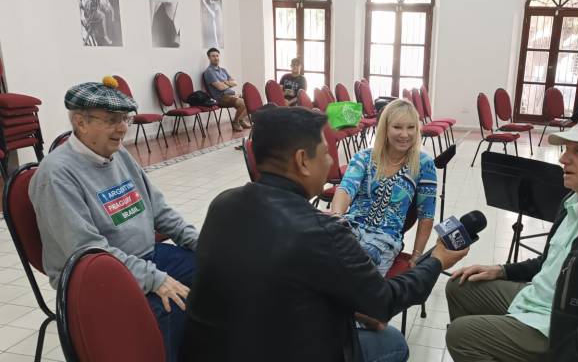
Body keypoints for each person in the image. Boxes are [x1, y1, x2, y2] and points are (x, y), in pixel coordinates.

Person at [181, 107, 468, 362]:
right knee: (392, 342)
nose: (331, 162)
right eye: (326, 152)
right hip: (278, 348)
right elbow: (383, 303)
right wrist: (437, 260)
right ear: (303, 160)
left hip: (217, 347)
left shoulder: (222, 204)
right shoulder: (323, 232)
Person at [445, 117, 578, 362]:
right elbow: (552, 262)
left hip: (567, 331)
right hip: (548, 303)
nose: (563, 159)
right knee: (460, 285)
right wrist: (501, 270)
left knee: (462, 336)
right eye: (566, 149)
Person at [29, 77, 199, 362]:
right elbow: (86, 249)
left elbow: (157, 208)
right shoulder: (56, 176)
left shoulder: (117, 153)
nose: (122, 128)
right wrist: (154, 280)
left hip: (143, 257)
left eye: (125, 119)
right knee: (169, 306)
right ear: (80, 123)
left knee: (211, 271)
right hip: (95, 277)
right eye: (111, 120)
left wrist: (198, 242)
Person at [330, 99, 437, 275]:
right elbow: (346, 189)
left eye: (411, 127)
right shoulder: (364, 157)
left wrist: (417, 255)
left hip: (384, 240)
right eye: (397, 127)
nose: (405, 134)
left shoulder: (423, 164)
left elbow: (427, 215)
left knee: (355, 275)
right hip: (350, 228)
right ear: (385, 128)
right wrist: (336, 218)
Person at [202, 47, 249, 131]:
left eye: (217, 56)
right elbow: (220, 87)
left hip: (231, 95)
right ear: (209, 58)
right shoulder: (209, 72)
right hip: (220, 98)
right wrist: (228, 83)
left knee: (250, 100)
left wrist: (225, 83)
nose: (216, 58)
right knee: (242, 103)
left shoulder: (223, 70)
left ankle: (241, 120)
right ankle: (235, 122)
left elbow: (235, 82)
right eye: (213, 56)